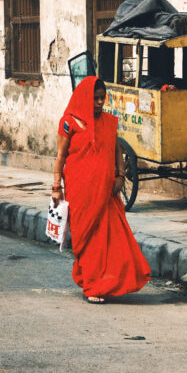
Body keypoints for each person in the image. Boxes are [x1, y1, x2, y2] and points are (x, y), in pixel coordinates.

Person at [52, 76, 150, 303]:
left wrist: (120, 174)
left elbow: (116, 150)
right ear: (84, 97)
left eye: (101, 98)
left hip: (106, 191)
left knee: (111, 239)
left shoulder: (108, 121)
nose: (99, 103)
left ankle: (106, 282)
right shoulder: (69, 122)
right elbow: (60, 156)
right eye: (95, 98)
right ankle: (92, 285)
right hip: (80, 190)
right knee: (86, 238)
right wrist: (56, 187)